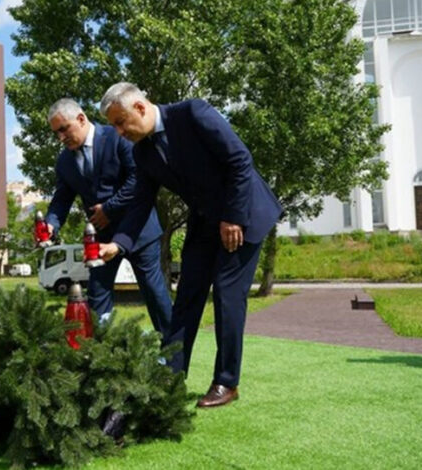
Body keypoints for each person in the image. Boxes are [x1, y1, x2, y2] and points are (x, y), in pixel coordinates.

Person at [98, 83, 282, 408]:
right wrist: (119, 244)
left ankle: (227, 382)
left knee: (227, 294)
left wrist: (233, 217)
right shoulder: (143, 152)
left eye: (121, 122)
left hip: (243, 214)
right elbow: (141, 202)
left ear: (140, 107)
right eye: (114, 125)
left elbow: (240, 160)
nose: (119, 131)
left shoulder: (193, 113)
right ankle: (169, 377)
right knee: (186, 298)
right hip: (205, 223)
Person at [42, 98, 172, 337]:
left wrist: (109, 209)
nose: (61, 137)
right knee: (96, 296)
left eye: (64, 129)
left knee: (154, 293)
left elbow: (138, 180)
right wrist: (51, 223)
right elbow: (61, 199)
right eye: (56, 133)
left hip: (139, 232)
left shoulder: (117, 137)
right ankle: (99, 353)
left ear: (81, 119)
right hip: (100, 240)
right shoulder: (64, 161)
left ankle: (173, 354)